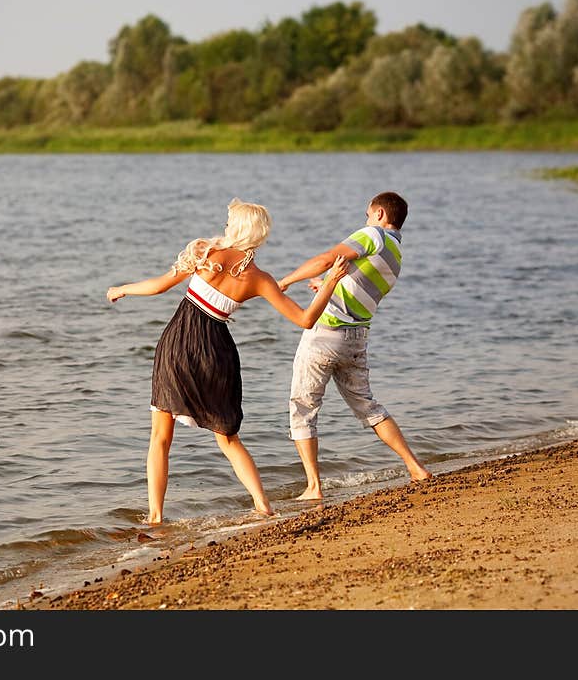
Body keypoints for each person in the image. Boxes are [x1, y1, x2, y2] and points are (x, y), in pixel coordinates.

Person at [107, 198, 348, 524]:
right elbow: (305, 319)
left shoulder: (205, 253)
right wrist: (330, 282)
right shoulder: (260, 279)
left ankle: (155, 516)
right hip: (217, 353)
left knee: (160, 438)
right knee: (229, 438)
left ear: (236, 227)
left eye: (229, 221)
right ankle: (263, 506)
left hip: (178, 345)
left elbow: (160, 286)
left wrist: (122, 288)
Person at [278, 191, 432, 500]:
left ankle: (314, 487)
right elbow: (362, 289)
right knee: (368, 407)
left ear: (378, 214)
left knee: (303, 408)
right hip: (356, 338)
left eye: (366, 214)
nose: (364, 220)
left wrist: (285, 282)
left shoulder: (373, 234)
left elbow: (326, 260)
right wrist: (327, 287)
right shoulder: (396, 255)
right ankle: (415, 468)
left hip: (326, 335)